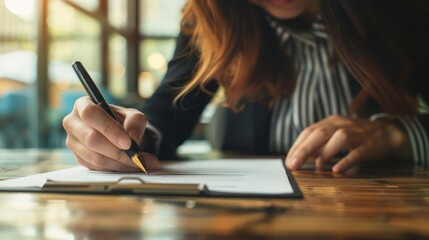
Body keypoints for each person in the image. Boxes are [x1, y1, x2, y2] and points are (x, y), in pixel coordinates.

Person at [63, 0, 429, 173]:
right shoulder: (212, 16)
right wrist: (126, 133)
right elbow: (166, 112)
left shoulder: (402, 14)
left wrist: (396, 136)